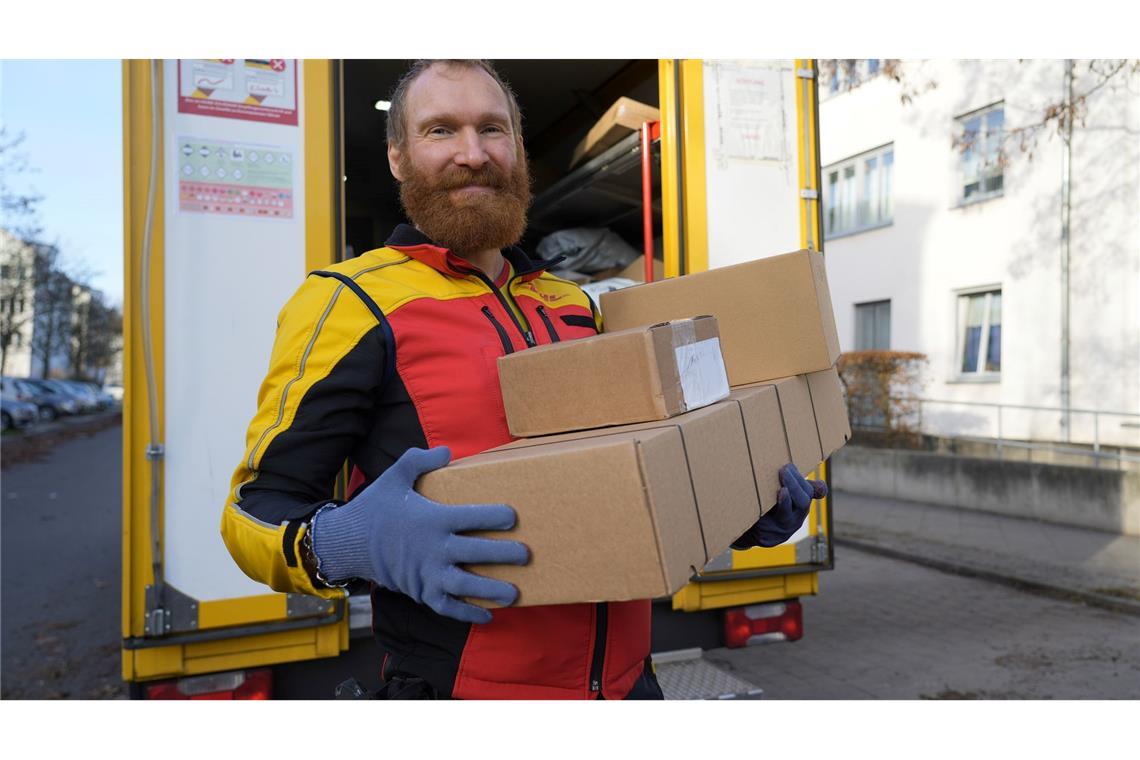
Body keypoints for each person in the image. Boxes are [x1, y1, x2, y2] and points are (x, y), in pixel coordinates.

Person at [221, 59, 827, 700]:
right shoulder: (347, 302)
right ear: (398, 157)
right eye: (440, 131)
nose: (473, 153)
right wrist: (342, 542)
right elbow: (252, 513)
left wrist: (740, 509)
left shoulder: (574, 303)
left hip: (627, 688)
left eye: (492, 128)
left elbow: (637, 470)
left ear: (517, 148)